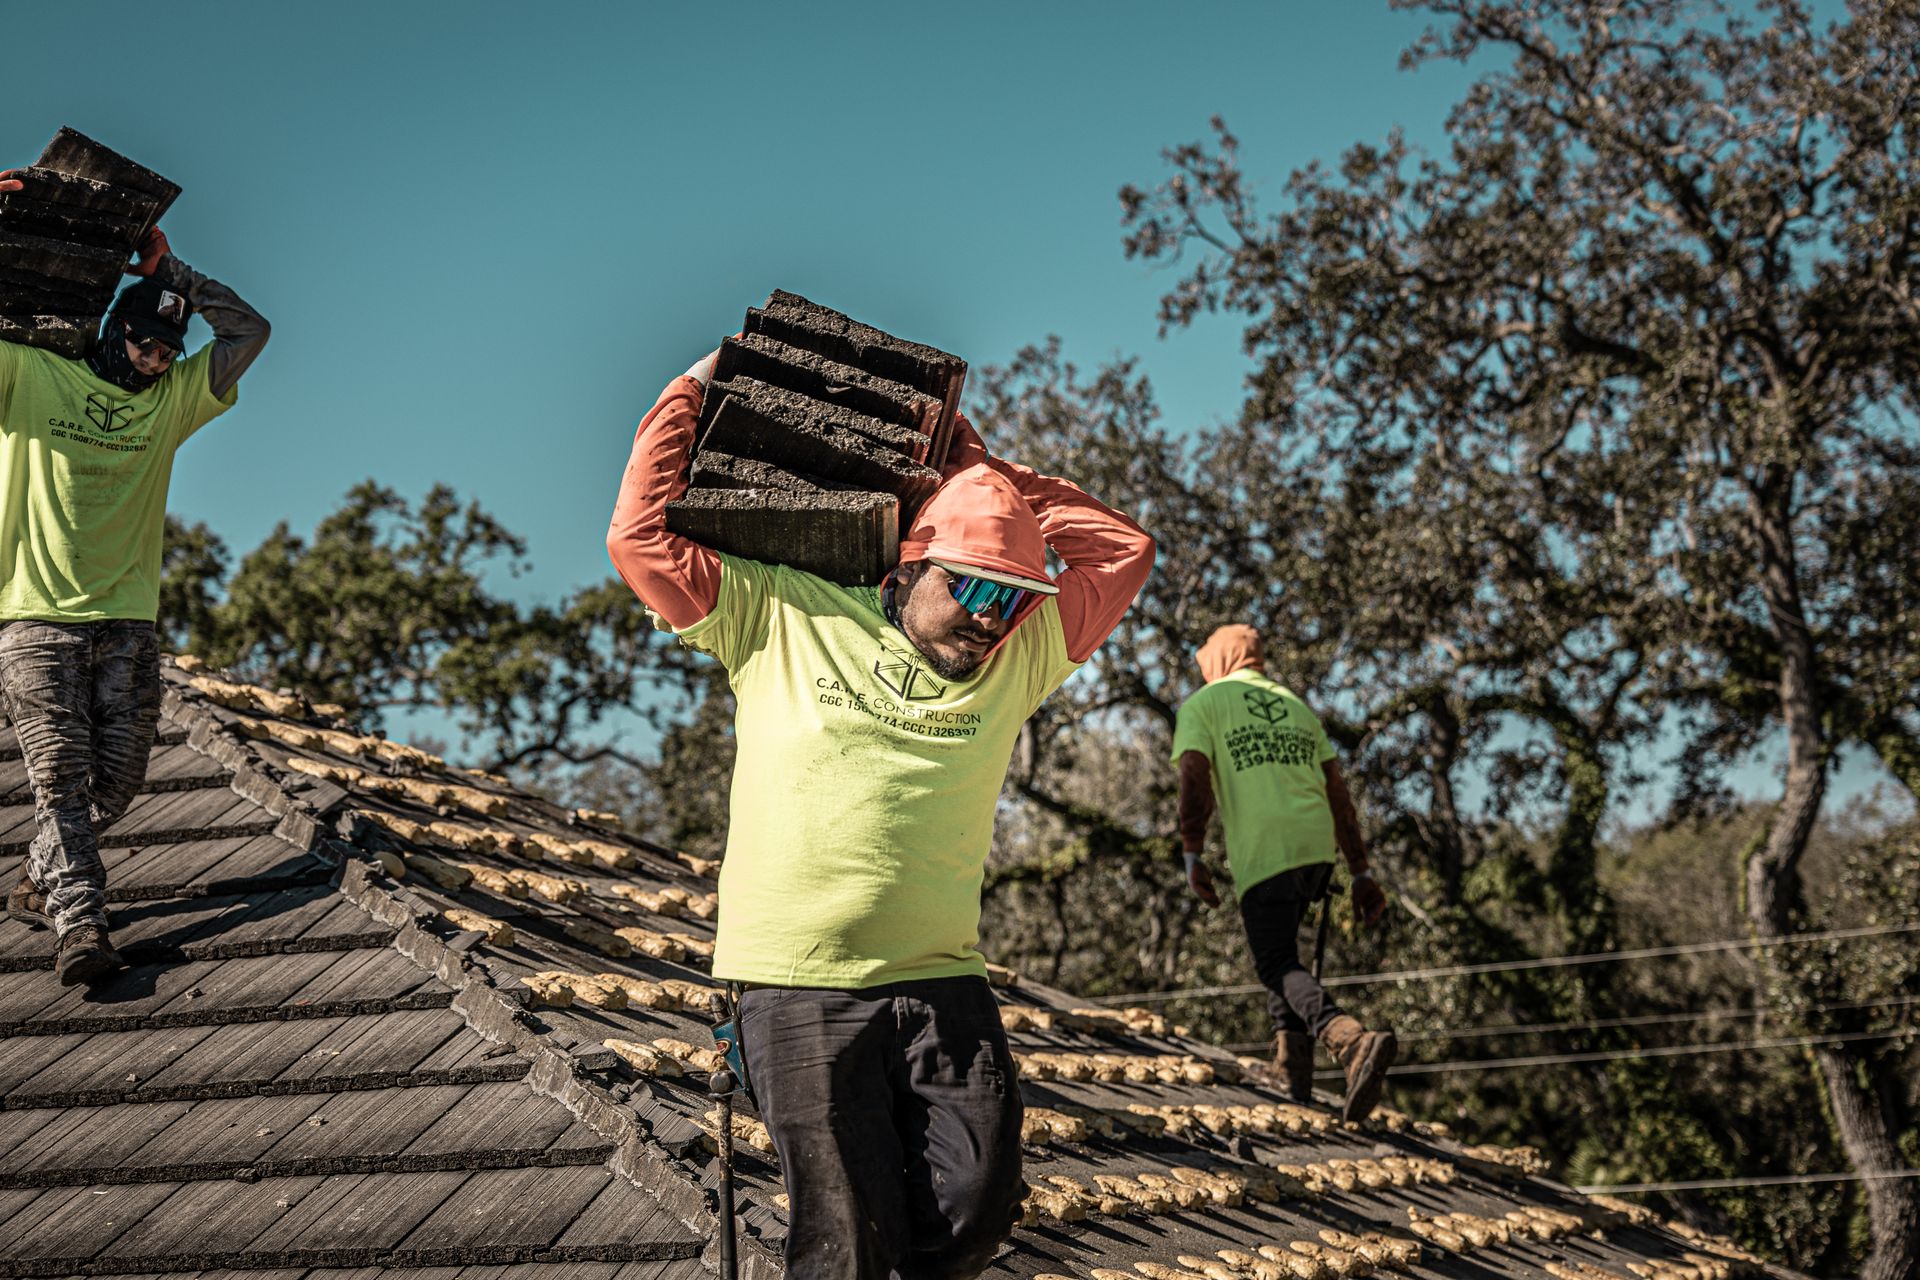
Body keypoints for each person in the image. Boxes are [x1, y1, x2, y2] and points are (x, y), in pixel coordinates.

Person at [607, 351, 1153, 1280]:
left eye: (1016, 599)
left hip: (942, 978)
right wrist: (687, 393)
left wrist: (983, 476)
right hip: (797, 984)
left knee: (976, 1211)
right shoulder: (783, 614)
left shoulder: (1019, 660)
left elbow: (1123, 550)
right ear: (910, 570)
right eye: (975, 589)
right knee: (845, 1241)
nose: (994, 619)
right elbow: (641, 545)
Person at [0, 170, 270, 986]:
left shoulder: (171, 402)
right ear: (109, 334)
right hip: (35, 617)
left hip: (127, 618)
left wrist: (168, 274)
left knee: (116, 784)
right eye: (142, 343)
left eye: (165, 351)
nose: (155, 361)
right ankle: (82, 928)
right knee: (61, 778)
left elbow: (249, 331)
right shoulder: (29, 374)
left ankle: (41, 876)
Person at [1172, 623, 1396, 1122]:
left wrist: (1192, 851)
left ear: (1218, 660)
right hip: (1317, 850)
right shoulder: (1297, 708)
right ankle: (1294, 1072)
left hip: (1266, 849)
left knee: (1274, 962)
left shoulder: (1204, 705)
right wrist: (1359, 871)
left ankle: (1348, 1039)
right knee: (1285, 955)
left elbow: (1193, 775)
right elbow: (1338, 794)